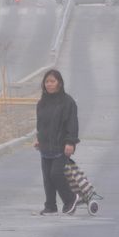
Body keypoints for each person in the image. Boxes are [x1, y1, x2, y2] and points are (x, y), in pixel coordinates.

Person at [33, 69, 80, 215]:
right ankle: (51, 206)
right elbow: (41, 124)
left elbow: (72, 124)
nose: (49, 84)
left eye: (52, 81)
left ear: (59, 83)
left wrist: (70, 142)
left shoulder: (67, 102)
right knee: (47, 177)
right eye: (47, 81)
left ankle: (70, 199)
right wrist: (38, 139)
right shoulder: (42, 103)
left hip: (61, 146)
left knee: (56, 174)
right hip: (45, 146)